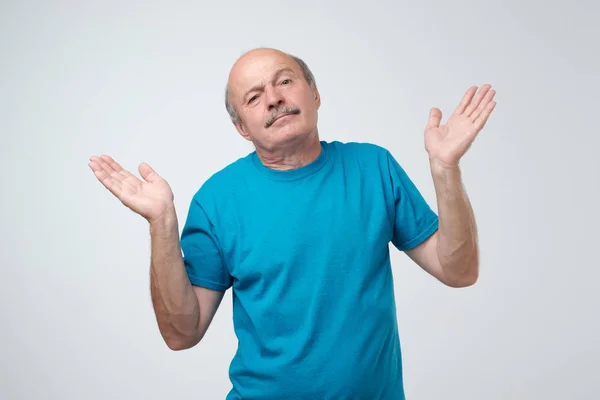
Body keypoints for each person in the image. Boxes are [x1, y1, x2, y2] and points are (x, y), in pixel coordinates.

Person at [89, 47, 496, 399]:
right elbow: (182, 333)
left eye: (284, 81)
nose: (273, 99)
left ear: (315, 93)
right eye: (253, 97)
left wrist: (445, 168)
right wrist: (161, 223)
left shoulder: (373, 168)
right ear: (241, 128)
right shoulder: (217, 201)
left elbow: (458, 271)